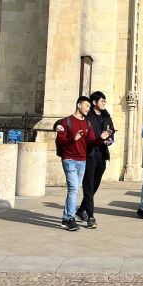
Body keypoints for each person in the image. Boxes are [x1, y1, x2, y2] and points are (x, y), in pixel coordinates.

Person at [55, 96, 102, 231]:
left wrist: (101, 139)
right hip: (69, 159)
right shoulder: (66, 122)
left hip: (82, 160)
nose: (88, 109)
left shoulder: (87, 123)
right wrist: (72, 139)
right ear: (79, 105)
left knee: (74, 189)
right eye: (87, 106)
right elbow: (61, 141)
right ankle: (69, 218)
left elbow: (91, 142)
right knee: (74, 189)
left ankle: (66, 218)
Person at [76, 91, 115, 229]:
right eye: (102, 101)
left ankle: (81, 210)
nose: (104, 103)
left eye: (105, 101)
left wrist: (109, 140)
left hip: (102, 155)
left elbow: (112, 133)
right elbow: (71, 120)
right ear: (94, 103)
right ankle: (90, 217)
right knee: (88, 186)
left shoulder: (106, 116)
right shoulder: (87, 117)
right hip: (89, 155)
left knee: (95, 185)